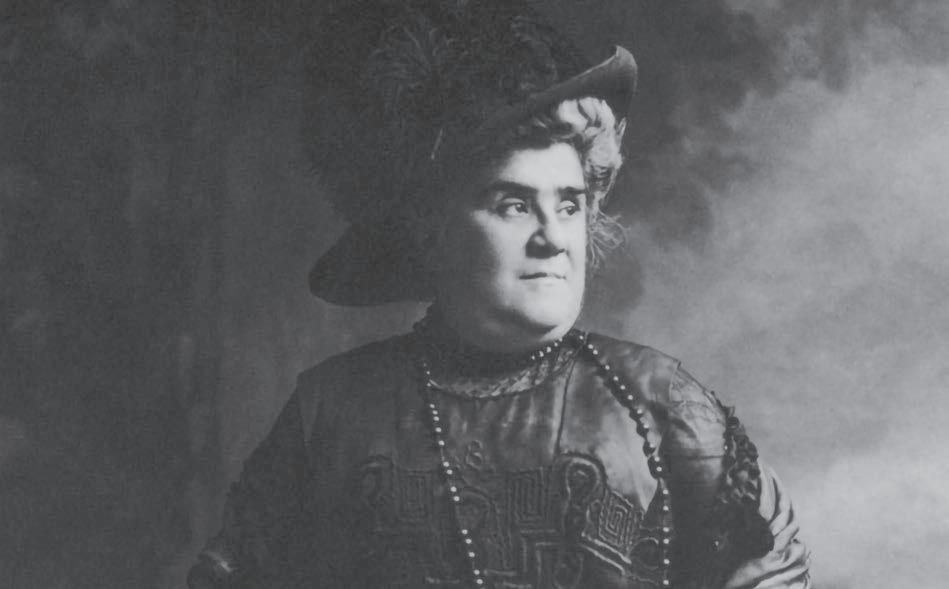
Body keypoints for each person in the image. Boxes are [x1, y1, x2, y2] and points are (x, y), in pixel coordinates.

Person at [188, 1, 811, 587]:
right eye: (514, 205)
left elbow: (773, 566)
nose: (553, 238)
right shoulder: (331, 413)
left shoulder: (660, 402)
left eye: (569, 205)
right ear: (431, 226)